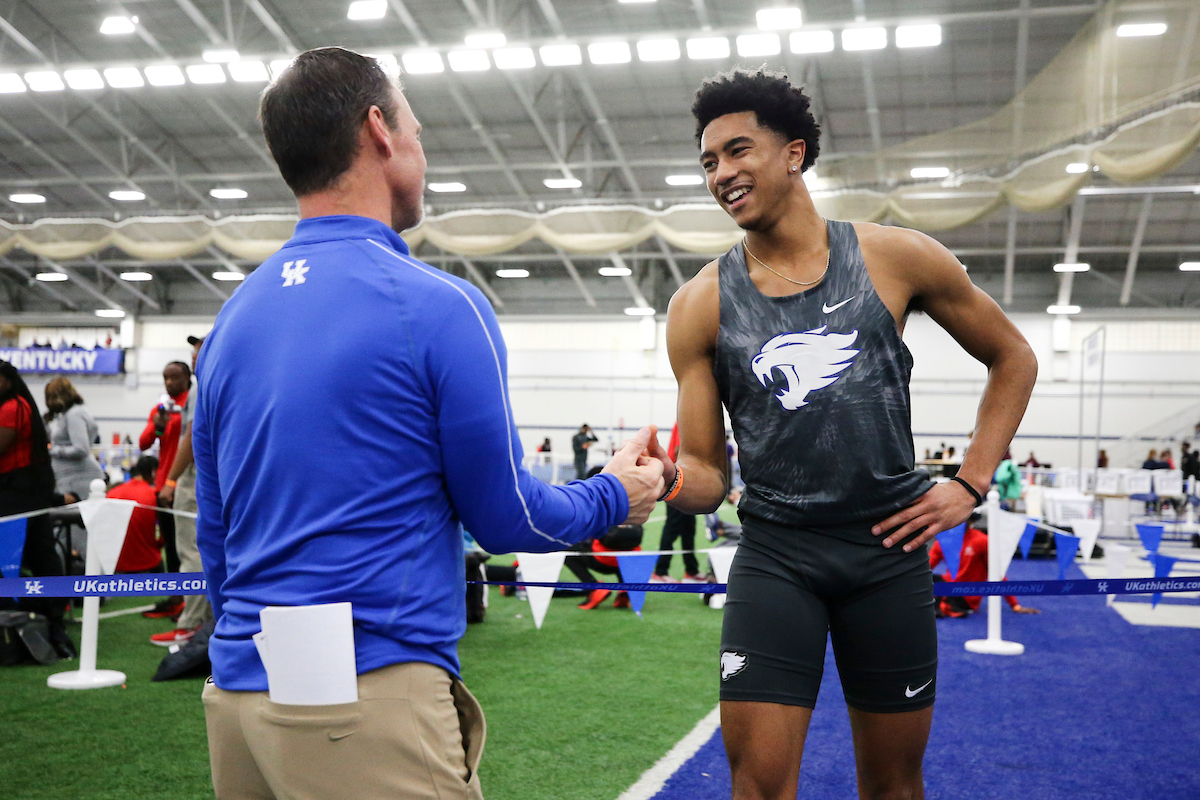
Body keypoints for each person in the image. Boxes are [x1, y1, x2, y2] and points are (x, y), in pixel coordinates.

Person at [192, 48, 663, 800]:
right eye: (416, 122)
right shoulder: (438, 305)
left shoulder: (229, 321)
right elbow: (510, 519)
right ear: (379, 130)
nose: (422, 141)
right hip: (365, 701)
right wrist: (616, 493)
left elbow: (214, 538)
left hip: (237, 697)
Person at [648, 69, 1038, 800]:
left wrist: (969, 485)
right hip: (776, 559)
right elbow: (704, 475)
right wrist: (660, 481)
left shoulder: (897, 258)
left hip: (886, 556)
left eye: (738, 151)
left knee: (893, 786)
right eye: (708, 162)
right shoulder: (699, 304)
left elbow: (1013, 356)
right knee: (756, 788)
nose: (722, 174)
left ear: (794, 154)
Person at [0, 360, 75, 658]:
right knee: (38, 555)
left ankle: (52, 619)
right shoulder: (17, 405)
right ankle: (50, 617)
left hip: (18, 494)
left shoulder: (12, 407)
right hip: (22, 492)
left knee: (37, 555)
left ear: (6, 380)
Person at [152, 335, 212, 647]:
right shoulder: (230, 381)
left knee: (192, 550)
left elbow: (193, 434)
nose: (194, 355)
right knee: (212, 549)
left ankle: (192, 623)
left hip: (197, 475)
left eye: (199, 349)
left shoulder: (202, 388)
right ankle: (209, 621)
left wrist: (172, 480)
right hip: (217, 474)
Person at [139, 360, 191, 620]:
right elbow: (144, 442)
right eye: (165, 378)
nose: (169, 382)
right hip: (164, 487)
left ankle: (190, 601)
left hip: (185, 484)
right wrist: (158, 423)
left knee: (187, 546)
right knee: (171, 545)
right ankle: (176, 597)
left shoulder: (191, 405)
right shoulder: (162, 409)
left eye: (174, 378)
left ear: (187, 378)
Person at [928, 518, 1039, 617]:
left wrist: (1014, 605)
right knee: (925, 580)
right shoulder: (944, 541)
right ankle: (935, 606)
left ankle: (937, 607)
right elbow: (927, 568)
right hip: (948, 585)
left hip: (966, 596)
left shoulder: (981, 541)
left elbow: (997, 573)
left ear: (970, 521)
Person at [653, 423, 703, 583]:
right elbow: (678, 451)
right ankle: (660, 572)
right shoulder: (685, 422)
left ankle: (691, 571)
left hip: (685, 483)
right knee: (673, 528)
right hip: (678, 483)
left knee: (688, 529)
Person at [44, 376, 105, 503]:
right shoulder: (69, 414)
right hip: (70, 477)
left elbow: (81, 448)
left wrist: (53, 450)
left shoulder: (74, 414)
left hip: (79, 479)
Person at [108, 456, 163, 575]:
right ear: (153, 472)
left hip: (116, 565)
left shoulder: (112, 493)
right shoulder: (154, 495)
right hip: (149, 563)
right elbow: (164, 536)